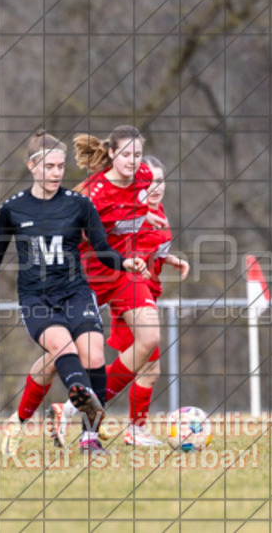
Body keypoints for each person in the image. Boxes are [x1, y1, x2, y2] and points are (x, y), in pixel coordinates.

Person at [0, 131, 148, 456]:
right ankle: (78, 394)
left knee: (94, 355)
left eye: (60, 166)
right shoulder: (13, 208)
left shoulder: (79, 204)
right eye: (49, 166)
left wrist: (127, 264)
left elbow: (102, 250)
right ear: (32, 166)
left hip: (75, 292)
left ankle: (89, 438)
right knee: (61, 347)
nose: (55, 173)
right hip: (36, 298)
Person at [50, 154, 190, 447]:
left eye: (160, 181)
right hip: (114, 288)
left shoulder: (159, 216)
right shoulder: (126, 212)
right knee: (142, 360)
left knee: (149, 368)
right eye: (149, 181)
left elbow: (152, 249)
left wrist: (171, 260)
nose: (156, 187)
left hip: (139, 291)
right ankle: (78, 410)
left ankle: (128, 427)